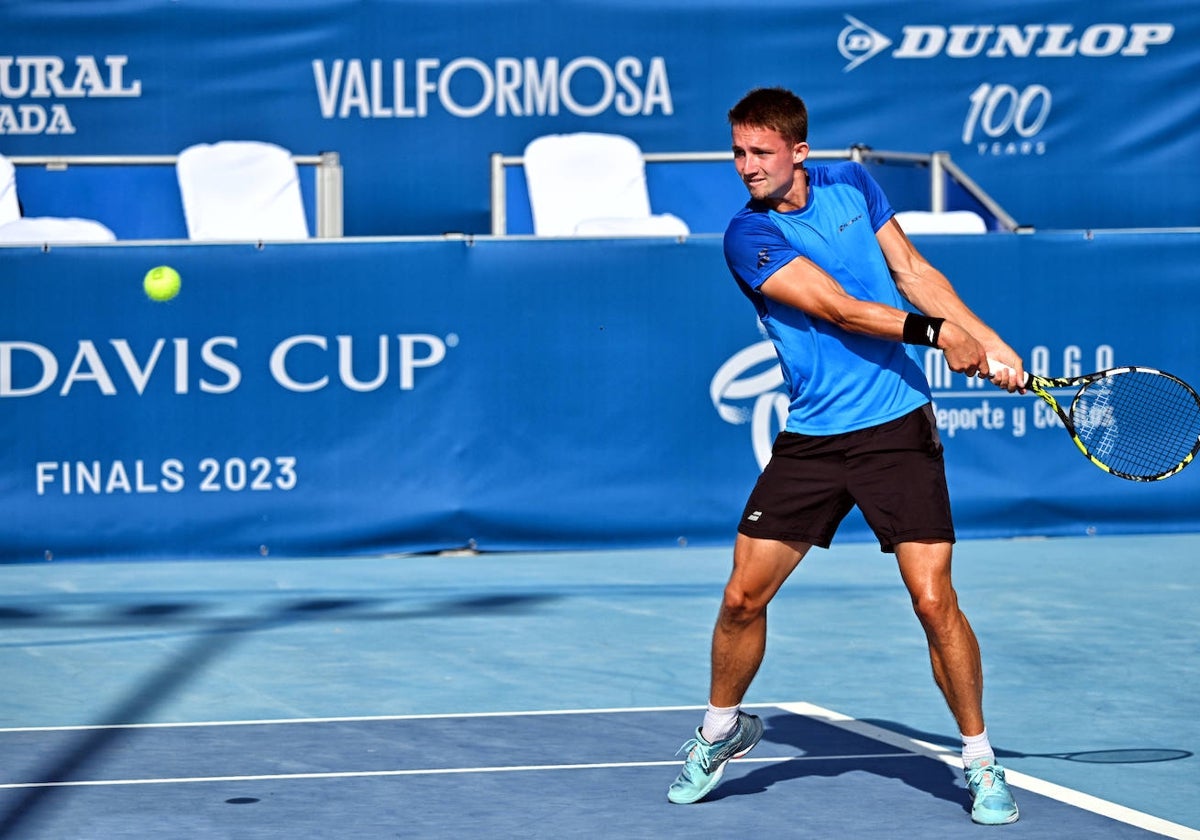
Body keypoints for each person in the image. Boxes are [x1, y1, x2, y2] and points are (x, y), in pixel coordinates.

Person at [666, 87, 1025, 826]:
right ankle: (719, 731)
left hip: (896, 426)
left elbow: (915, 273)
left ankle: (981, 762)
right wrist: (937, 337)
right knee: (742, 598)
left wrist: (987, 339)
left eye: (759, 152)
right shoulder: (747, 235)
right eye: (737, 152)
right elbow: (835, 307)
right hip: (815, 438)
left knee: (933, 602)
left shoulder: (853, 185)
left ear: (800, 151)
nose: (745, 167)